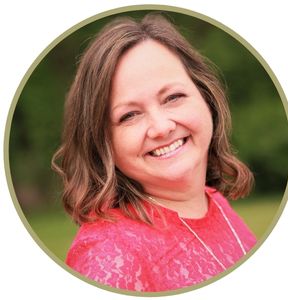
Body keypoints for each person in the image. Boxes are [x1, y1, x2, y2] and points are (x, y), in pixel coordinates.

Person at [52, 13, 257, 293]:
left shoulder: (214, 202)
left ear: (206, 98)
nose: (161, 127)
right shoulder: (108, 257)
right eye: (130, 115)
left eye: (173, 97)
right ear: (102, 142)